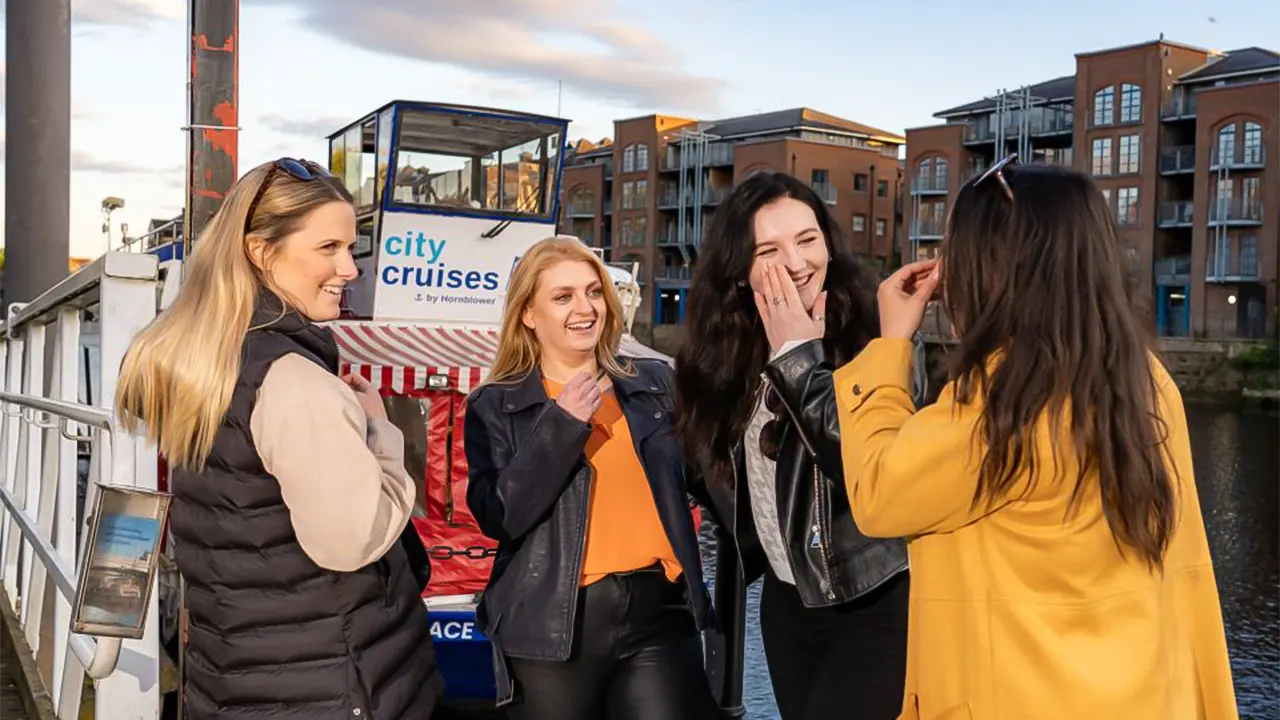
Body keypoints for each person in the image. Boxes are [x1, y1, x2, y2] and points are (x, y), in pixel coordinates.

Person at [834, 157, 1238, 719]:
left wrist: (890, 347)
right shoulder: (1145, 381)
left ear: (992, 270)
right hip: (1145, 695)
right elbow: (1186, 569)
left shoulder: (1001, 403)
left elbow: (879, 492)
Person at [115, 158, 443, 720]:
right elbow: (351, 541)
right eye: (329, 248)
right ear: (261, 252)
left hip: (239, 677)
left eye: (350, 247)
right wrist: (380, 433)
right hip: (332, 685)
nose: (350, 268)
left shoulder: (208, 363)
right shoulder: (294, 380)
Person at [675, 171, 919, 720]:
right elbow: (713, 468)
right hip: (788, 600)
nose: (797, 262)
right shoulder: (723, 352)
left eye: (808, 240)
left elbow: (866, 467)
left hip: (874, 600)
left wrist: (799, 357)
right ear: (739, 267)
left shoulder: (879, 334)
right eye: (770, 249)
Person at [463, 236, 718, 720]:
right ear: (529, 314)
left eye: (593, 292)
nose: (585, 308)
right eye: (563, 297)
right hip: (554, 626)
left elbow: (711, 479)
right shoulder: (495, 405)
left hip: (658, 614)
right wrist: (562, 424)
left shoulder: (654, 383)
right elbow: (501, 517)